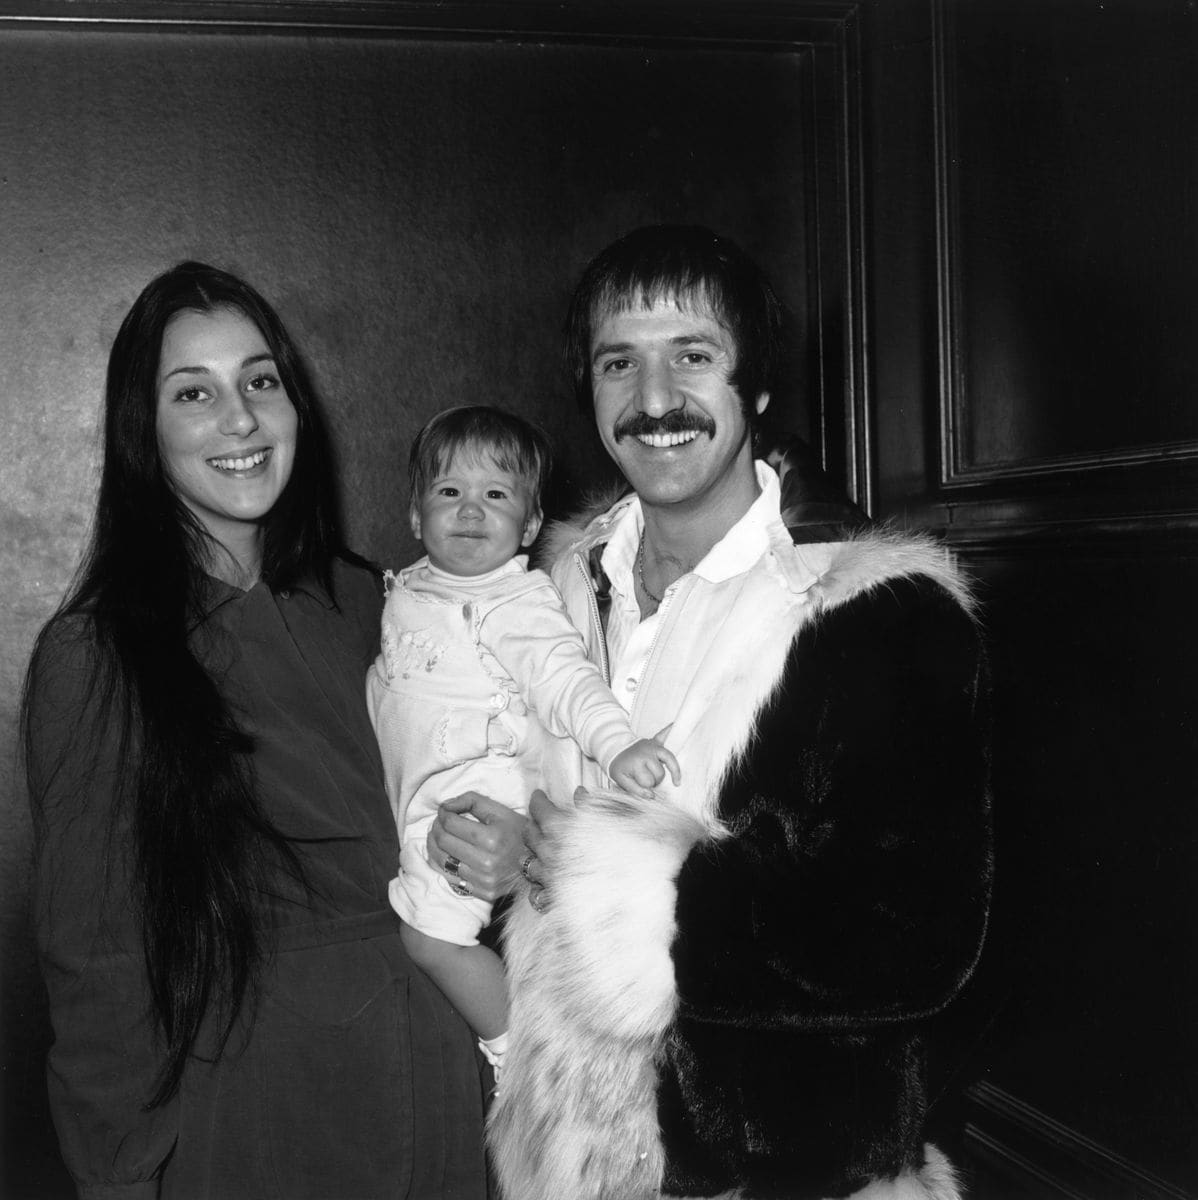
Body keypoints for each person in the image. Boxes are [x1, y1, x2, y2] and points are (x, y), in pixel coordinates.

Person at [487, 225, 993, 1200]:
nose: (653, 400)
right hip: (564, 1163)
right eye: (618, 363)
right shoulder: (547, 591)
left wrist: (644, 897)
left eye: (692, 356)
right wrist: (507, 848)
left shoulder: (877, 612)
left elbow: (920, 940)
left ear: (755, 387)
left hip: (783, 1178)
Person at [21, 262, 518, 1199]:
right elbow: (96, 969)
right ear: (145, 430)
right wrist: (118, 1179)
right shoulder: (99, 655)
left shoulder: (381, 601)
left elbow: (503, 776)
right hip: (265, 1113)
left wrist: (514, 854)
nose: (240, 419)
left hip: (449, 1085)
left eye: (259, 381)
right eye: (192, 393)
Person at [366, 405, 679, 1078]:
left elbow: (569, 685)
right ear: (417, 517)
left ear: (531, 524)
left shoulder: (517, 604)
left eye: (496, 496)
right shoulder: (410, 587)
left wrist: (617, 744)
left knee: (429, 940)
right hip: (421, 799)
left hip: (480, 802)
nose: (471, 511)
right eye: (449, 493)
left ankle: (517, 1054)